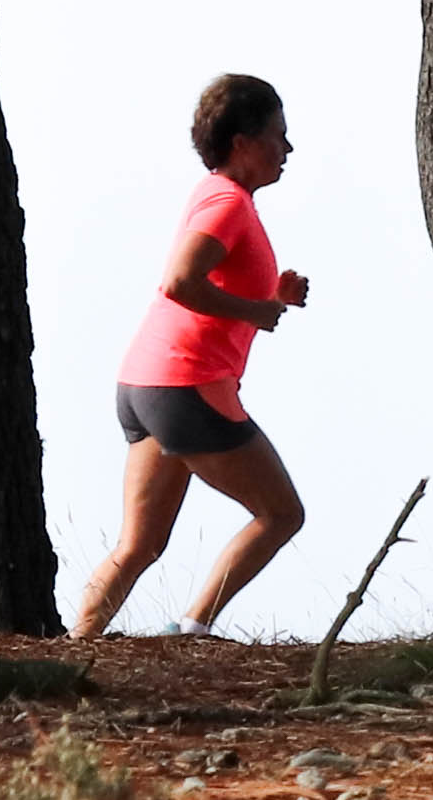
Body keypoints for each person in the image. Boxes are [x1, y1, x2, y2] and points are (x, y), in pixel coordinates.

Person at [77, 72, 311, 640]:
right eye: (279, 135)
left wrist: (268, 298)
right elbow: (181, 282)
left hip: (144, 385)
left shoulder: (213, 194)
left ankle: (75, 647)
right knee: (281, 514)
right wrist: (253, 312)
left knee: (139, 544)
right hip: (188, 387)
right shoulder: (229, 204)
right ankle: (194, 629)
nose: (289, 148)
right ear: (242, 143)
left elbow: (207, 288)